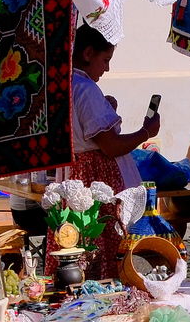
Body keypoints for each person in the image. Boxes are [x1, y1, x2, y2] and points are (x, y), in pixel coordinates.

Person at [67, 26, 158, 278]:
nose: (106, 68)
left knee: (83, 240)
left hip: (79, 173)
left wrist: (105, 108)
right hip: (97, 178)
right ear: (88, 53)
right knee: (104, 240)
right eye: (105, 60)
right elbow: (110, 145)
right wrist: (145, 132)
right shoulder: (85, 88)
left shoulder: (67, 84)